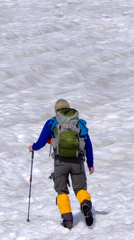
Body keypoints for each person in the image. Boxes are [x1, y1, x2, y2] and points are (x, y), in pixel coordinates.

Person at [28, 98, 94, 229]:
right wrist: (90, 163)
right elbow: (88, 144)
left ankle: (68, 221)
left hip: (60, 162)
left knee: (61, 191)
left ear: (56, 110)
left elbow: (41, 141)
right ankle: (85, 204)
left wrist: (33, 147)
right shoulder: (79, 123)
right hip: (77, 161)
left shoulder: (52, 122)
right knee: (80, 189)